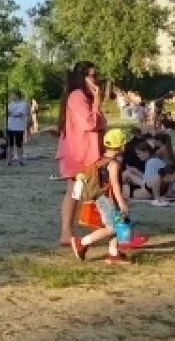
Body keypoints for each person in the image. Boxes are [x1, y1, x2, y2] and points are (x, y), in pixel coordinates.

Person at [56, 61, 105, 248]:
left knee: (78, 191)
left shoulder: (83, 96)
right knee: (74, 191)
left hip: (83, 152)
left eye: (96, 75)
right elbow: (90, 123)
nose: (96, 79)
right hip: (77, 153)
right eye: (92, 76)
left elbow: (99, 122)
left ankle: (68, 232)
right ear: (82, 78)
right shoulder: (77, 96)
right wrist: (97, 101)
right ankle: (66, 232)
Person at [69, 128, 132, 265]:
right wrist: (122, 203)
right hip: (108, 199)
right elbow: (114, 185)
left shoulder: (100, 161)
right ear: (121, 146)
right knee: (113, 227)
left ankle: (113, 254)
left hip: (101, 198)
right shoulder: (113, 164)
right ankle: (82, 242)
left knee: (115, 223)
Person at [6, 90, 28, 165]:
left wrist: (12, 114)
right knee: (10, 144)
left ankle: (20, 160)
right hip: (10, 126)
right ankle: (9, 160)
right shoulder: (10, 104)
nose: (11, 96)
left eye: (13, 95)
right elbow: (8, 113)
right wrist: (11, 113)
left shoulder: (23, 104)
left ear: (17, 95)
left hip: (19, 127)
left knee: (19, 144)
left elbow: (20, 114)